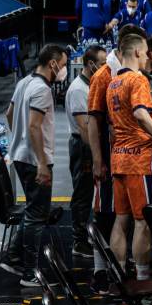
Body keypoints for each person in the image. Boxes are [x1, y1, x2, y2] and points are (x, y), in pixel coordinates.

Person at [87, 24, 147, 293]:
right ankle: (102, 271)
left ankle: (121, 268)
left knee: (127, 216)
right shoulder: (103, 76)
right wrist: (98, 159)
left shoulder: (130, 74)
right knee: (105, 213)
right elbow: (93, 121)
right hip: (112, 157)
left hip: (128, 156)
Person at [3, 44, 68, 287]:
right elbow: (34, 126)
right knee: (37, 216)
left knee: (33, 210)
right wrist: (41, 162)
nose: (63, 70)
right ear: (52, 63)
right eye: (62, 66)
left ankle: (12, 256)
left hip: (21, 155)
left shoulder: (23, 83)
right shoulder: (42, 89)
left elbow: (9, 115)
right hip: (34, 160)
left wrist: (18, 140)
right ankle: (30, 273)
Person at [106, 34, 152, 280]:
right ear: (138, 52)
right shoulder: (137, 80)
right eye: (147, 50)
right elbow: (140, 113)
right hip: (139, 158)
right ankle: (142, 279)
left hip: (118, 157)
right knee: (143, 221)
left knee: (121, 220)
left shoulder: (112, 83)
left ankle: (117, 275)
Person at [65, 45, 107, 259]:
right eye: (102, 64)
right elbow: (84, 128)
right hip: (83, 147)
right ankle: (79, 241)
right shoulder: (78, 90)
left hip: (89, 145)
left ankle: (85, 234)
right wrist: (96, 154)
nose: (105, 68)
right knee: (82, 193)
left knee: (90, 193)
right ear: (91, 64)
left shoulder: (91, 85)